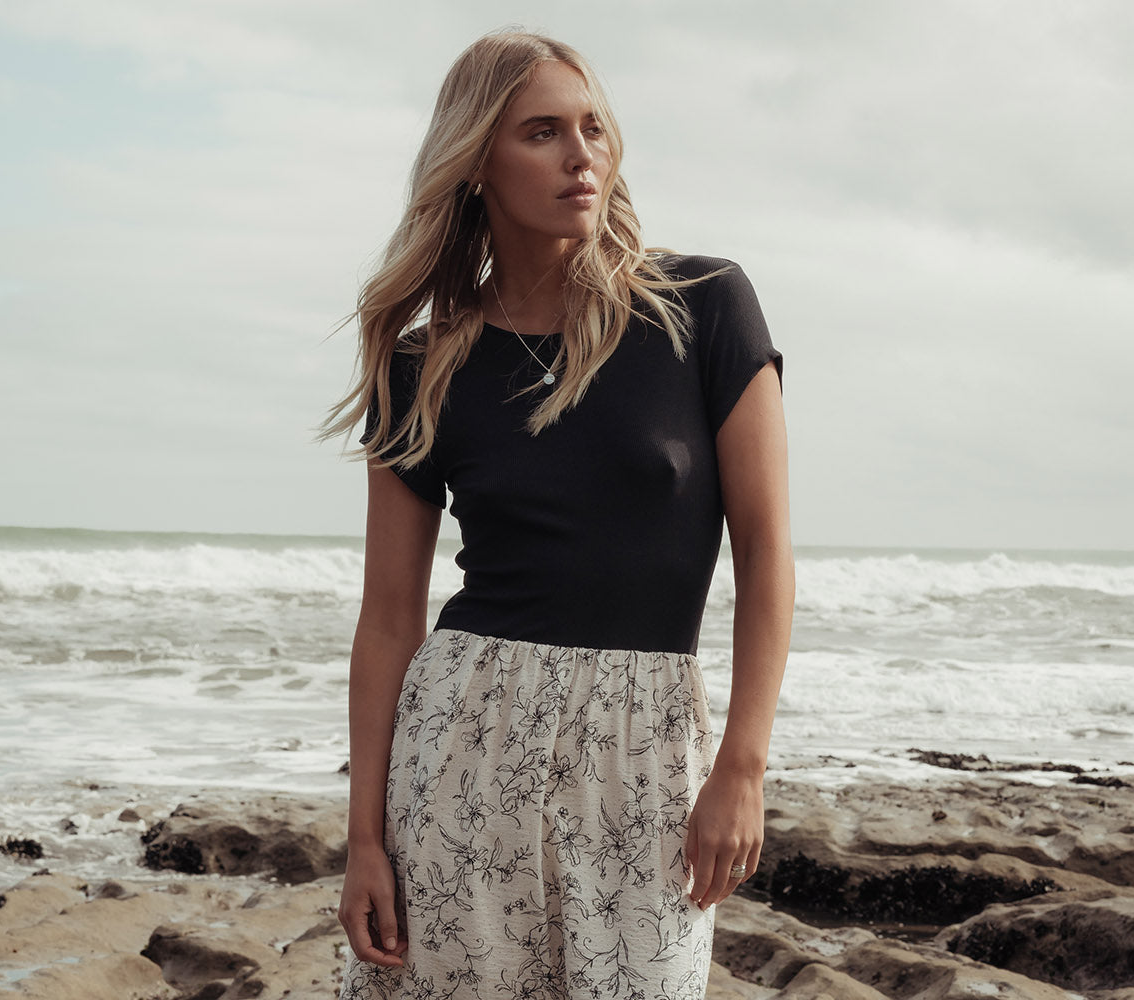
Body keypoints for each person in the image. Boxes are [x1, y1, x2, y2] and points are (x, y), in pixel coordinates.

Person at [320, 28, 793, 1000]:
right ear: (476, 163)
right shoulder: (423, 363)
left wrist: (741, 765)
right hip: (463, 737)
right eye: (543, 131)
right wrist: (364, 838)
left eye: (594, 129)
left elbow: (768, 554)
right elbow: (387, 618)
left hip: (648, 740)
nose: (582, 156)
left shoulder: (703, 308)